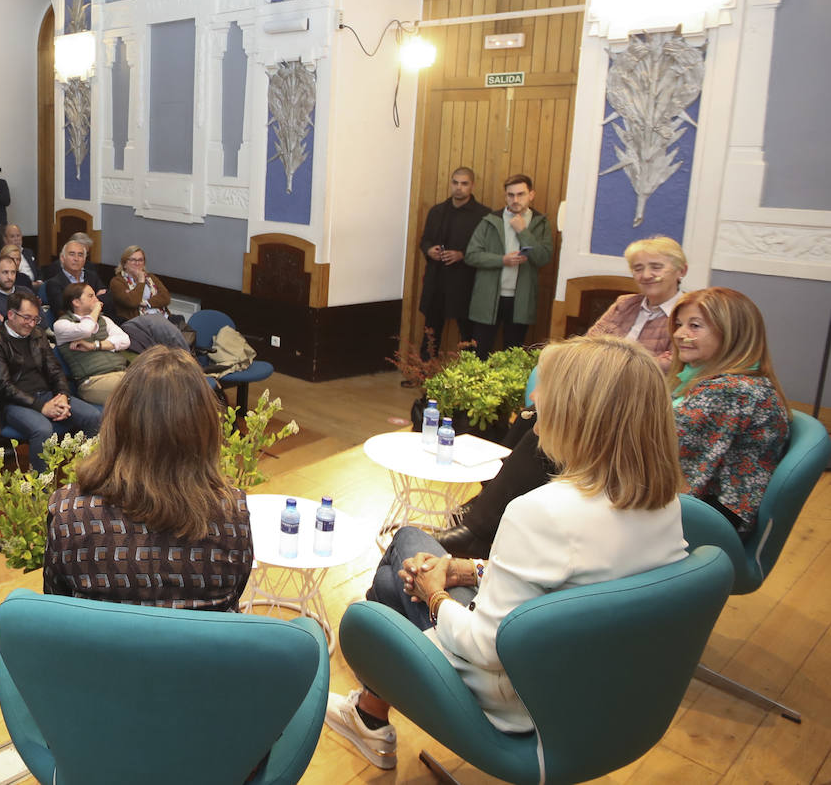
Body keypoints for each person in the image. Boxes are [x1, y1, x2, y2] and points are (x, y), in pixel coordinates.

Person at [325, 335, 688, 768]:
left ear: (578, 413)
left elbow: (485, 647)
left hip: (523, 702)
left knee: (397, 566)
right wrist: (469, 570)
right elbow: (574, 584)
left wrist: (435, 592)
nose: (533, 398)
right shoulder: (663, 502)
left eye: (546, 389)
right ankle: (368, 712)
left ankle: (368, 711)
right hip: (606, 690)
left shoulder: (542, 512)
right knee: (404, 566)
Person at [43, 346, 252, 609]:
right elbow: (232, 600)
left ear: (116, 420)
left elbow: (56, 608)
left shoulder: (69, 512)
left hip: (102, 649)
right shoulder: (232, 514)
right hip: (196, 650)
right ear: (205, 426)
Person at [671, 287, 790, 538]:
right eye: (680, 324)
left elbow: (665, 451)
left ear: (732, 334)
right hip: (710, 506)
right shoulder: (729, 380)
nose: (680, 334)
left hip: (714, 519)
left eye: (695, 326)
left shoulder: (729, 391)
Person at [0, 289, 102, 468]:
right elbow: (3, 387)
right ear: (11, 315)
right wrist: (42, 407)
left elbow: (55, 369)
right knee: (42, 429)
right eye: (26, 318)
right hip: (12, 403)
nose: (31, 324)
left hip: (46, 394)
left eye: (35, 319)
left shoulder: (37, 334)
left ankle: (88, 472)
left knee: (94, 416)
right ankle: (41, 489)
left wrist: (62, 395)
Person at [465, 174, 555, 357]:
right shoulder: (490, 220)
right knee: (479, 353)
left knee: (512, 354)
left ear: (531, 195)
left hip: (521, 300)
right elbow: (471, 255)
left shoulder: (540, 223)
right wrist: (502, 260)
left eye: (521, 194)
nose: (515, 200)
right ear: (505, 196)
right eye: (510, 195)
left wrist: (523, 232)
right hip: (489, 297)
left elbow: (543, 258)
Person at [416, 167, 490, 361]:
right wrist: (429, 250)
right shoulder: (437, 211)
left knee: (468, 335)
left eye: (464, 183)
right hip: (436, 280)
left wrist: (462, 255)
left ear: (472, 186)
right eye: (455, 182)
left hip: (465, 283)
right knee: (430, 333)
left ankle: (467, 380)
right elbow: (424, 241)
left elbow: (487, 250)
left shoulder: (483, 215)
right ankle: (424, 376)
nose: (459, 188)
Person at [587, 236, 688, 365]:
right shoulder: (624, 304)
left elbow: (671, 366)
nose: (646, 275)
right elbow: (589, 345)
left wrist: (610, 362)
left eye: (656, 267)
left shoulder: (689, 313)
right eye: (638, 269)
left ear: (682, 271)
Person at [53, 283, 130, 405]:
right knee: (138, 389)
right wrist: (96, 310)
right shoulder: (61, 325)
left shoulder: (104, 320)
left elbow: (125, 340)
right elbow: (86, 330)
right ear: (76, 302)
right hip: (93, 381)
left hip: (121, 373)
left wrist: (96, 345)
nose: (96, 300)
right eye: (91, 296)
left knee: (156, 381)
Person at [45, 238, 107, 317]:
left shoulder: (92, 276)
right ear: (62, 258)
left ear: (84, 260)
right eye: (72, 254)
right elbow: (62, 309)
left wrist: (82, 302)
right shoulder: (54, 283)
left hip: (97, 318)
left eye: (80, 255)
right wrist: (94, 301)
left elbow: (106, 298)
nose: (76, 259)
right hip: (72, 323)